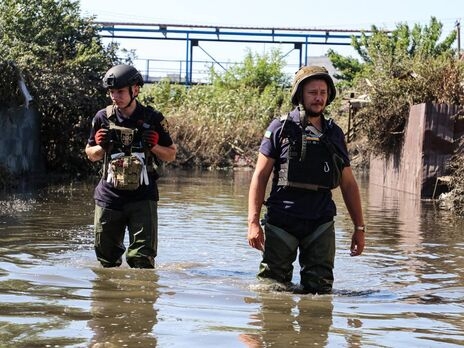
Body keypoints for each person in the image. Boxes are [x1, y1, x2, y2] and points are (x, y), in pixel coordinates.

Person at [247, 65, 365, 294]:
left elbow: (348, 184)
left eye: (323, 92)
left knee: (320, 293)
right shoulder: (280, 128)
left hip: (320, 222)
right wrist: (252, 222)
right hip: (282, 221)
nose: (319, 98)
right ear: (300, 94)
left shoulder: (334, 134)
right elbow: (260, 177)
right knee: (271, 290)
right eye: (313, 92)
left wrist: (359, 227)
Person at [85, 64, 177, 269]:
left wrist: (153, 146)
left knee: (142, 260)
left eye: (120, 91)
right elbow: (90, 154)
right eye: (111, 92)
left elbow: (171, 154)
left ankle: (142, 298)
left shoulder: (153, 119)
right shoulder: (102, 117)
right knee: (106, 260)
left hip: (142, 198)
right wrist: (102, 146)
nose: (115, 96)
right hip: (109, 197)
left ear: (135, 90)